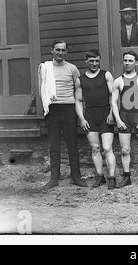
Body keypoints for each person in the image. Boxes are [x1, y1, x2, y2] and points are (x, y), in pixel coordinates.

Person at [38, 40, 87, 190]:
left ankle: (76, 177)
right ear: (51, 50)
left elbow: (78, 91)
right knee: (54, 144)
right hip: (52, 109)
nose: (60, 53)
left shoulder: (72, 68)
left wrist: (80, 112)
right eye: (57, 50)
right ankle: (54, 178)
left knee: (72, 143)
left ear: (66, 52)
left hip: (68, 108)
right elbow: (41, 88)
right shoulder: (45, 68)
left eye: (63, 50)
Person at [112, 51, 138, 188]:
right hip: (124, 116)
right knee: (125, 150)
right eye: (125, 60)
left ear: (136, 62)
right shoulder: (118, 81)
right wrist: (118, 120)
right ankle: (126, 177)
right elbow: (113, 102)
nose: (127, 63)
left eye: (130, 61)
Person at [75, 49, 117, 189]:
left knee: (107, 147)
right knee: (95, 148)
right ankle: (100, 177)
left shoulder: (106, 75)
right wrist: (81, 118)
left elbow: (113, 97)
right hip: (90, 116)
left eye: (97, 61)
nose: (94, 63)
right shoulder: (80, 80)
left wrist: (112, 114)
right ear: (86, 61)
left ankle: (112, 177)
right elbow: (78, 101)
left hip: (105, 113)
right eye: (91, 61)